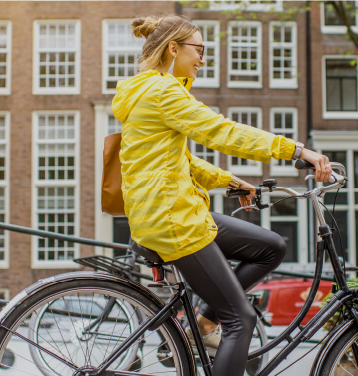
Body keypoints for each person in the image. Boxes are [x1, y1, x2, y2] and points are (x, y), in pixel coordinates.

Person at [111, 15, 332, 375]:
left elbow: (182, 160)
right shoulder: (164, 92)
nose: (202, 59)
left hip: (172, 212)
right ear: (173, 49)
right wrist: (294, 150)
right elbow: (221, 132)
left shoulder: (148, 92)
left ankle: (200, 322)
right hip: (173, 220)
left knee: (271, 247)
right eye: (198, 50)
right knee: (240, 319)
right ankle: (212, 321)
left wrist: (230, 182)